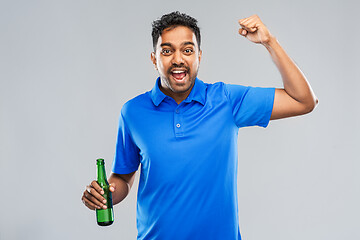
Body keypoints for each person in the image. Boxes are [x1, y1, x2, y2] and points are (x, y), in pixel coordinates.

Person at [81, 11, 318, 240]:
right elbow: (122, 179)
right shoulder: (132, 112)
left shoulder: (226, 100)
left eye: (187, 50)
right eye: (167, 51)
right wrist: (105, 195)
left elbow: (304, 100)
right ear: (154, 59)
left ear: (199, 56)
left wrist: (269, 42)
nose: (178, 59)